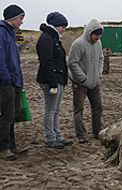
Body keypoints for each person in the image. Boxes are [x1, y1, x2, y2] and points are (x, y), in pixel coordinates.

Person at [36, 12, 73, 149]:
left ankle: (57, 134)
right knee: (50, 110)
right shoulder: (46, 38)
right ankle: (50, 137)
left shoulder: (54, 38)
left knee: (56, 110)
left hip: (58, 79)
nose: (64, 29)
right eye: (63, 26)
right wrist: (52, 82)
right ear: (56, 25)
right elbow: (47, 62)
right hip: (50, 80)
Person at [67, 19, 104, 144]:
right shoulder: (78, 44)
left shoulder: (98, 43)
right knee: (79, 109)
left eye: (99, 35)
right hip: (80, 83)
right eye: (95, 35)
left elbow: (101, 59)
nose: (97, 38)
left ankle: (97, 131)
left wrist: (99, 73)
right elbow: (72, 63)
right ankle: (81, 134)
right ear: (89, 32)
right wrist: (83, 78)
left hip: (94, 82)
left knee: (98, 107)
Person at [0, 4, 28, 160]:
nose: (22, 22)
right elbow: (1, 59)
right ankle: (3, 147)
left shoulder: (11, 33)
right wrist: (6, 79)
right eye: (20, 18)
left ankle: (11, 145)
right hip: (6, 83)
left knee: (13, 115)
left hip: (15, 81)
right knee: (6, 116)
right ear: (12, 18)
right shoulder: (1, 32)